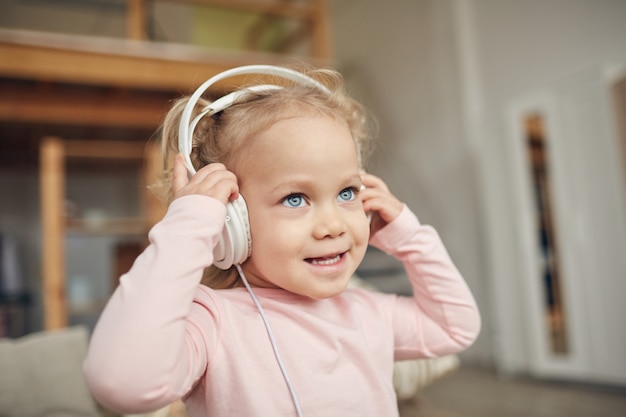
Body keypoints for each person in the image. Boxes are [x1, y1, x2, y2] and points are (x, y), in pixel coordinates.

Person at [83, 64, 481, 417]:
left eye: (346, 193)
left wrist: (410, 236)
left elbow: (455, 327)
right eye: (295, 198)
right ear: (230, 222)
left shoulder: (365, 311)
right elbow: (122, 383)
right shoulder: (214, 321)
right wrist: (187, 228)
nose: (333, 225)